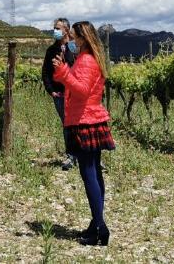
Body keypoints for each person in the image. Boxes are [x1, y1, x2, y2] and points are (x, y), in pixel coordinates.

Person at [53, 21, 114, 247]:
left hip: (85, 120)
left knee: (89, 174)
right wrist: (64, 71)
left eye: (75, 38)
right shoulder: (87, 59)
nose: (72, 42)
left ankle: (100, 228)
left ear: (83, 38)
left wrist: (63, 73)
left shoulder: (87, 60)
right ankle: (96, 223)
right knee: (95, 173)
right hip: (90, 118)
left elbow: (81, 90)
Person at [42, 17, 76, 170]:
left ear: (66, 30)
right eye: (54, 28)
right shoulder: (51, 50)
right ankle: (70, 155)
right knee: (67, 124)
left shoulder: (74, 48)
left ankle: (85, 154)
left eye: (58, 28)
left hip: (75, 93)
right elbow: (45, 73)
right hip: (60, 95)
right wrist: (51, 91)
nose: (55, 31)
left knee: (80, 123)